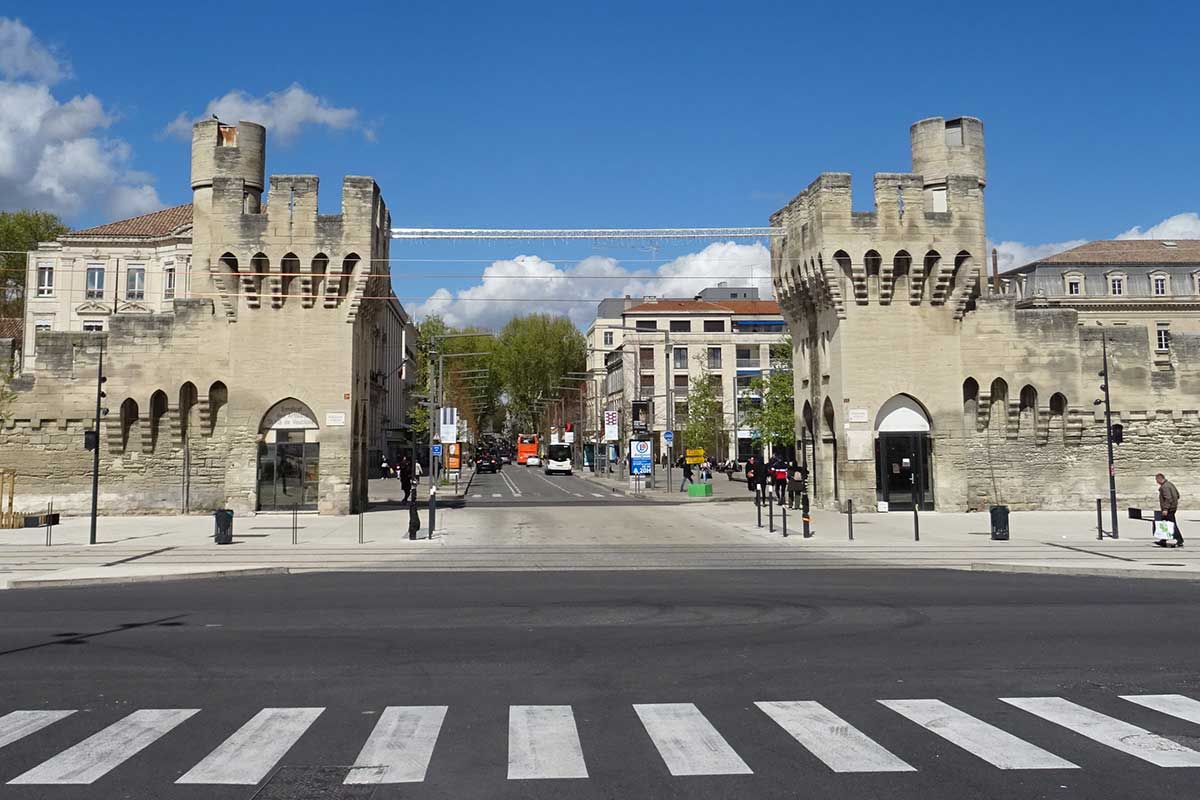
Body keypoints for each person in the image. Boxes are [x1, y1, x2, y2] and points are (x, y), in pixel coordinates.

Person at [1157, 472, 1183, 547]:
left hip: (1168, 509)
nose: (1157, 482)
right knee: (1164, 524)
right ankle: (1163, 539)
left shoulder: (1164, 487)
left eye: (1157, 480)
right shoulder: (1170, 484)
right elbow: (1177, 495)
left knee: (1171, 524)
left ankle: (1179, 539)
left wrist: (1165, 509)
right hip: (1172, 508)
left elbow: (1168, 498)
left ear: (1160, 479)